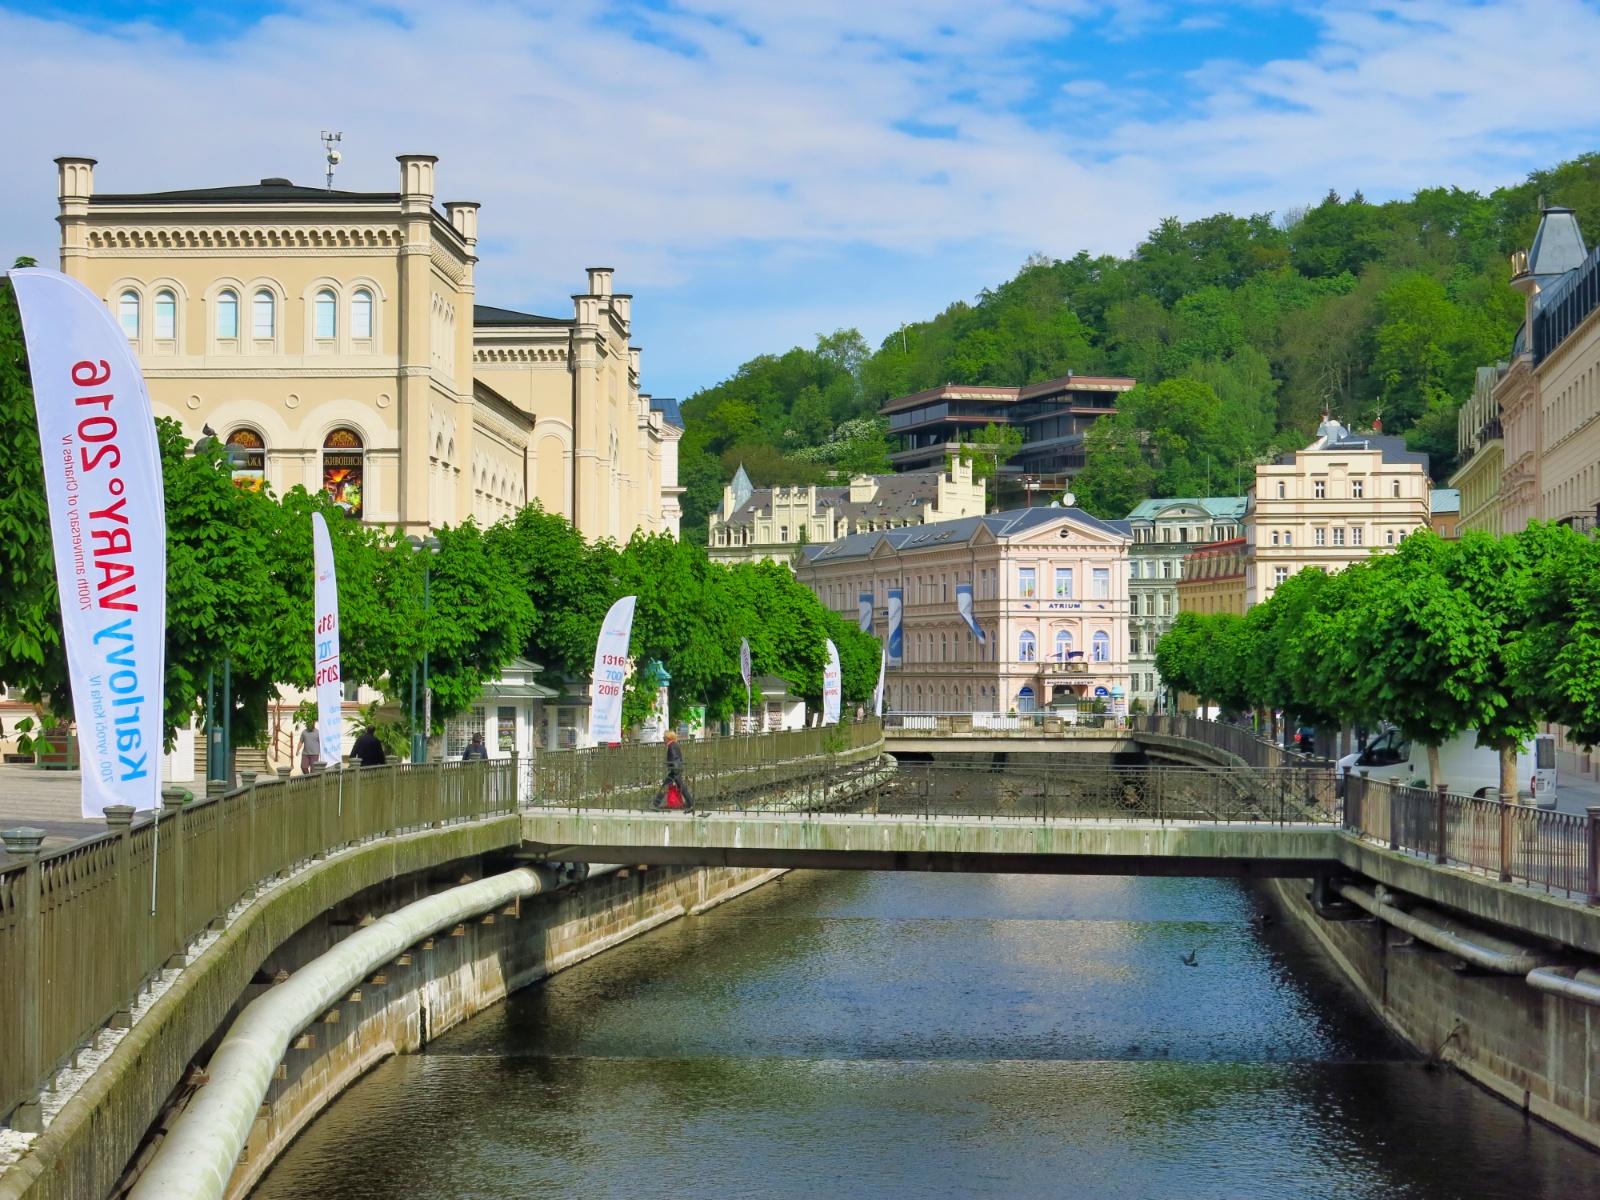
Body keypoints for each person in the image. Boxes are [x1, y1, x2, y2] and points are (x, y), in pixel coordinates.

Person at [654, 730, 692, 811]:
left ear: (668, 737)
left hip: (675, 770)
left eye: (665, 737)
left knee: (667, 786)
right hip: (676, 770)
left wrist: (671, 765)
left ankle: (655, 804)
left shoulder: (672, 746)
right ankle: (690, 803)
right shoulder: (674, 744)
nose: (664, 739)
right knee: (681, 787)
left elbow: (675, 757)